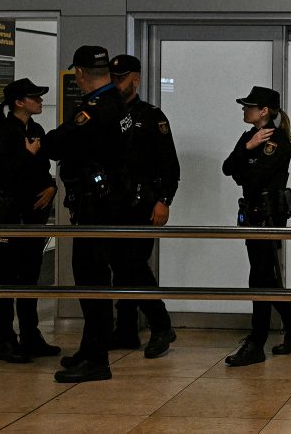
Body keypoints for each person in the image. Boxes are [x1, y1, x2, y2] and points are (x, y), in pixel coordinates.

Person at [41, 45, 132, 383]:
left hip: (97, 206)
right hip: (108, 202)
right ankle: (90, 348)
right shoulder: (118, 102)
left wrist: (41, 144)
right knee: (94, 279)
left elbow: (57, 144)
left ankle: (97, 359)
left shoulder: (95, 108)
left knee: (91, 279)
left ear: (79, 73)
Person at [221, 86, 291, 366]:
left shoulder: (276, 141)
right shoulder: (250, 137)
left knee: (260, 276)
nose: (244, 110)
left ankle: (257, 342)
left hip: (268, 214)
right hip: (253, 212)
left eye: (250, 106)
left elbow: (252, 177)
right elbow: (228, 168)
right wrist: (248, 149)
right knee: (264, 276)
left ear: (264, 111)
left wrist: (244, 162)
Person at [0, 78, 61, 363]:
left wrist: (51, 186)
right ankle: (6, 341)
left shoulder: (36, 129)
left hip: (33, 213)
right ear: (19, 102)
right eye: (34, 98)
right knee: (6, 277)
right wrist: (26, 156)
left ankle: (31, 335)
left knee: (30, 275)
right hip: (8, 213)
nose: (40, 101)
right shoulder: (1, 131)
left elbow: (43, 168)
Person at [107, 54, 179, 358]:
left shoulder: (151, 116)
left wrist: (164, 200)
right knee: (119, 267)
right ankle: (125, 329)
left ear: (135, 79)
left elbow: (170, 166)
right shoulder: (105, 113)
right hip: (112, 204)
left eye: (121, 78)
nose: (116, 83)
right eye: (112, 77)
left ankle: (161, 324)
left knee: (134, 265)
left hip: (142, 204)